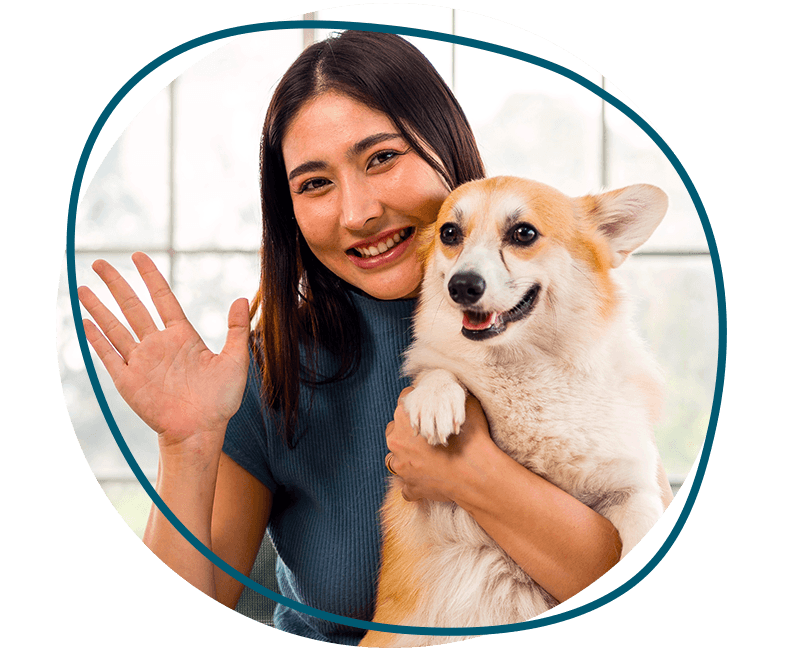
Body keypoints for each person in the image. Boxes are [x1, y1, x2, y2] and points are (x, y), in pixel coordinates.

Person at [78, 30, 673, 646]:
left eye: (382, 158)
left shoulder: (564, 328)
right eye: (314, 184)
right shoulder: (268, 372)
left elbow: (627, 581)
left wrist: (471, 472)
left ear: (445, 148)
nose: (357, 211)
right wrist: (188, 444)